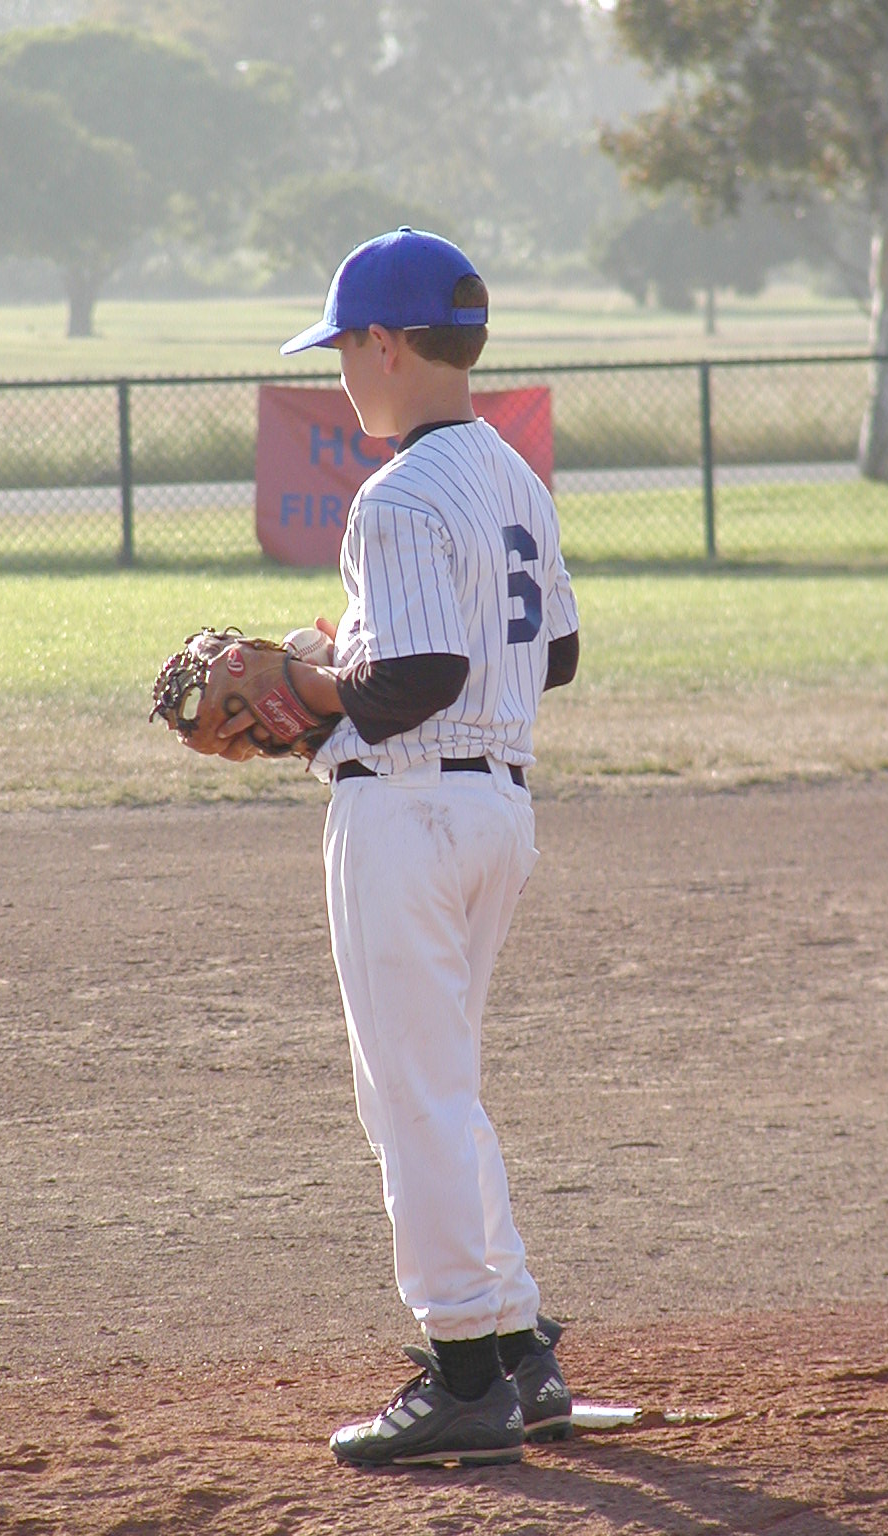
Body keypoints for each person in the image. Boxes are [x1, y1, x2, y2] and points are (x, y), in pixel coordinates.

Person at [202, 227, 581, 1467]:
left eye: (343, 349)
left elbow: (417, 676)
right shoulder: (512, 474)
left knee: (410, 1096)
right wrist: (335, 670)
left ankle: (465, 1372)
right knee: (442, 1085)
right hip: (494, 812)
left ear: (387, 342)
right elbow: (554, 656)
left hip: (409, 816)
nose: (340, 375)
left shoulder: (400, 493)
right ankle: (517, 1346)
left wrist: (308, 687)